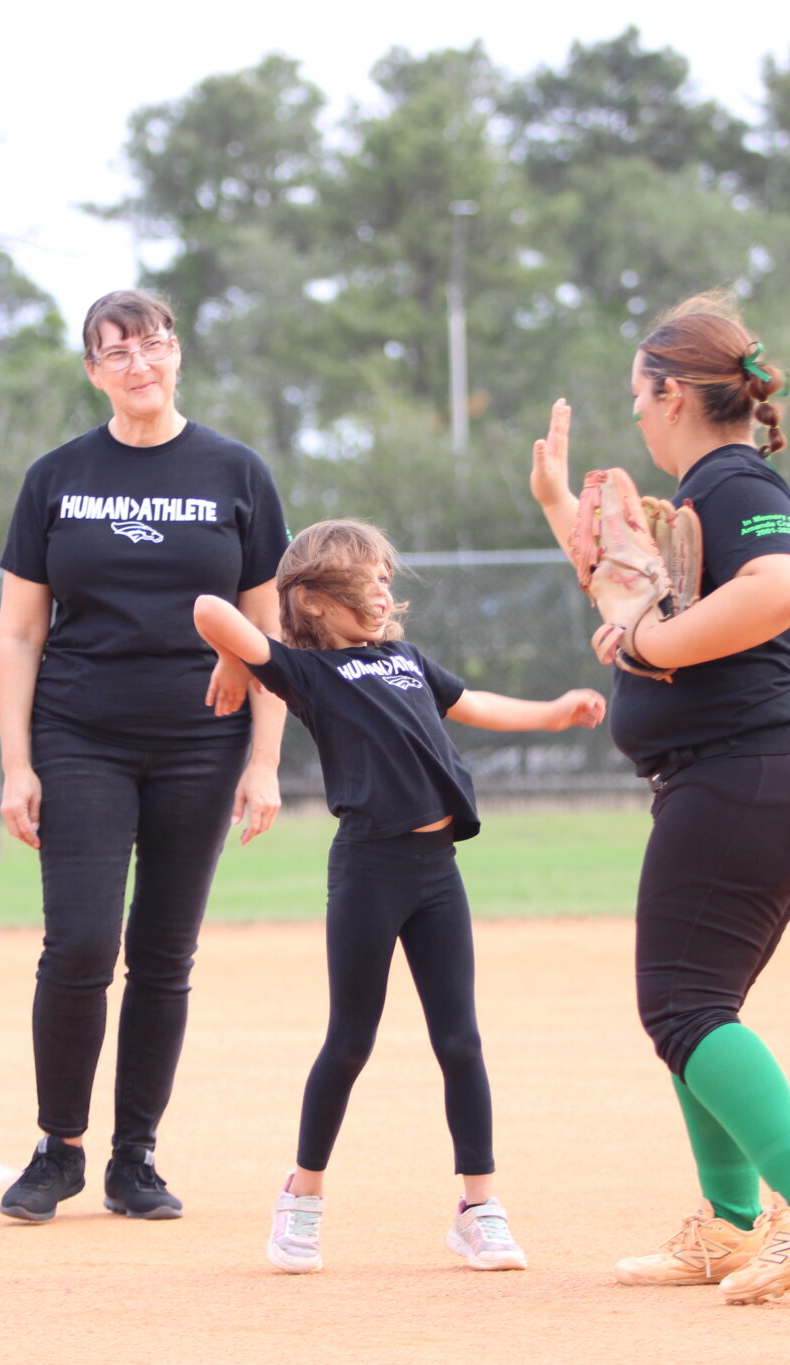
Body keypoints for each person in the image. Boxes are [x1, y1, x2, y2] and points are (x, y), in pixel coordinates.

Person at [524, 293, 790, 1304]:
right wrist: (557, 506)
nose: (633, 415)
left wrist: (649, 644)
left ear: (672, 392)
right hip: (754, 775)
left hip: (752, 772)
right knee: (692, 1007)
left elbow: (779, 588)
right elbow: (623, 598)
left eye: (637, 395)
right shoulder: (704, 493)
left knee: (681, 1006)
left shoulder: (731, 479)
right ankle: (727, 1226)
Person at [193, 520, 607, 1275]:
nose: (385, 589)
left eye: (386, 577)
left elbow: (472, 702)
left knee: (461, 1041)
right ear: (315, 601)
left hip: (436, 870)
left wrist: (553, 712)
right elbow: (207, 609)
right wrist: (237, 659)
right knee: (350, 1040)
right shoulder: (306, 673)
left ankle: (478, 1207)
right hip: (369, 870)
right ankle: (303, 1196)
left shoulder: (406, 660)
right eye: (366, 578)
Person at [0, 289, 290, 1222]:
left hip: (202, 742)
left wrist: (266, 760)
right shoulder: (57, 476)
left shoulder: (236, 472)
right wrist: (16, 761)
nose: (137, 364)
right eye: (114, 352)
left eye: (152, 343)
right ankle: (59, 1146)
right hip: (79, 734)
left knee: (164, 953)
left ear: (177, 354)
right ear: (93, 372)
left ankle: (135, 1156)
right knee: (79, 941)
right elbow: (17, 632)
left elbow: (270, 631)